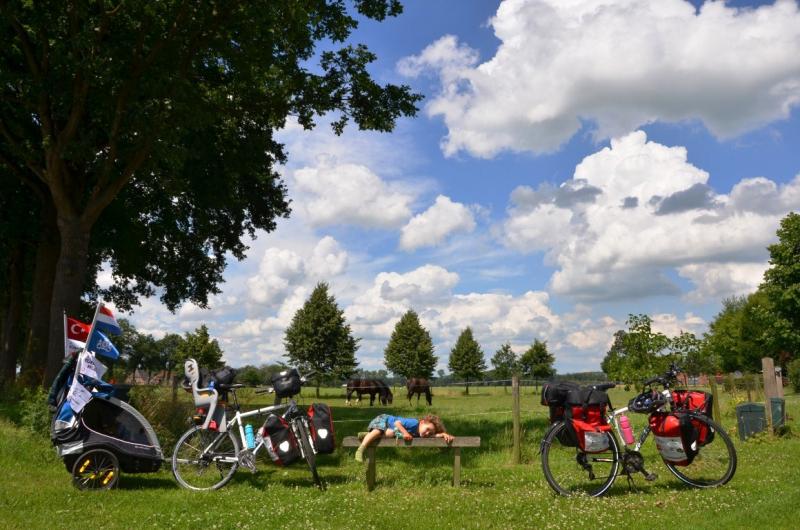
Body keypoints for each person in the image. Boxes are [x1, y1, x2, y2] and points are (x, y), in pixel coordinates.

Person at [354, 413, 454, 462]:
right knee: (379, 430)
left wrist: (442, 434)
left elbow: (433, 436)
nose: (428, 433)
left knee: (390, 434)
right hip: (384, 419)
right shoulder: (414, 423)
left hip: (390, 429)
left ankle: (366, 435)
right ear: (422, 422)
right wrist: (405, 433)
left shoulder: (420, 433)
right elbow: (397, 423)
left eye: (430, 432)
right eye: (427, 429)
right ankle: (360, 449)